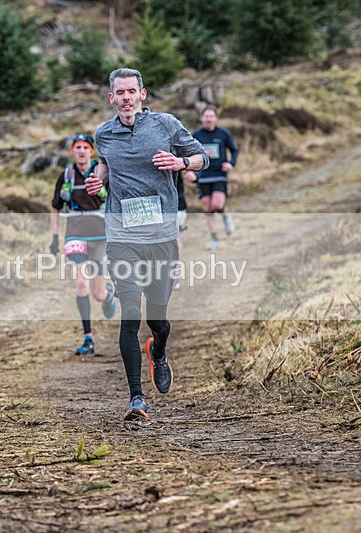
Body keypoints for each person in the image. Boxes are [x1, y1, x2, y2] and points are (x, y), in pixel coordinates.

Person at [84, 68, 209, 421]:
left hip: (161, 236)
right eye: (119, 92)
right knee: (130, 316)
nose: (125, 97)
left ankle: (159, 349)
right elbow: (106, 165)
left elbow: (203, 157)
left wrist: (181, 162)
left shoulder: (166, 125)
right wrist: (98, 180)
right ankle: (136, 399)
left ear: (142, 95)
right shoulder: (103, 133)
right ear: (111, 98)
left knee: (157, 318)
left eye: (131, 91)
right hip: (122, 236)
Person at [50, 133, 117, 355]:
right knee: (81, 284)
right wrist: (55, 237)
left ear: (91, 151)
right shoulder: (66, 175)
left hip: (100, 236)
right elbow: (56, 207)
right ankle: (88, 338)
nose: (81, 151)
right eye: (77, 147)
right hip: (75, 234)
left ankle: (107, 295)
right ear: (73, 151)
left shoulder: (103, 172)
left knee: (97, 293)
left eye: (85, 147)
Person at [185, 106, 239, 250]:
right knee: (208, 208)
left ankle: (225, 214)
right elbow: (190, 154)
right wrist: (190, 171)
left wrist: (230, 163)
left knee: (217, 205)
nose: (208, 119)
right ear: (201, 118)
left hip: (219, 174)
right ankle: (214, 239)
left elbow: (234, 150)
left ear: (215, 118)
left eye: (211, 116)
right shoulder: (196, 135)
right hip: (203, 176)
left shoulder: (223, 133)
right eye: (206, 116)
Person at [172, 169, 187, 290]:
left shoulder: (175, 150)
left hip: (176, 202)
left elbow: (197, 158)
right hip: (150, 204)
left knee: (174, 237)